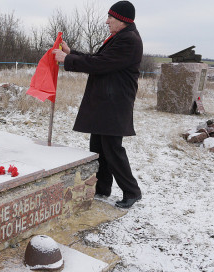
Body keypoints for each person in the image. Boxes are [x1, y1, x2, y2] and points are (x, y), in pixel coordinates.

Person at [53, 0, 142, 208]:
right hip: (106, 103)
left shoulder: (128, 40)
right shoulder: (120, 37)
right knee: (98, 148)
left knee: (112, 149)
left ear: (121, 20)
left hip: (114, 104)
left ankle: (132, 191)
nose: (107, 21)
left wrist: (67, 60)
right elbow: (98, 58)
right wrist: (71, 52)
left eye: (110, 17)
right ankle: (102, 188)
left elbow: (99, 64)